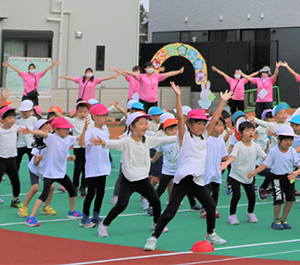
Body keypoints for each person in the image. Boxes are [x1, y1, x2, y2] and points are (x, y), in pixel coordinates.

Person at [145, 84, 229, 251]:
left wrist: (222, 102)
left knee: (211, 206)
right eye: (197, 123)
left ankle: (210, 233)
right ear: (190, 124)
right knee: (170, 212)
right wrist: (177, 96)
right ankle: (153, 238)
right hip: (184, 180)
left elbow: (215, 119)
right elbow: (181, 119)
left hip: (198, 181)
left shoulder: (204, 136)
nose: (201, 126)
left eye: (203, 123)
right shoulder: (184, 137)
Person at [96, 109, 176, 238]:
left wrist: (181, 136)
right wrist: (103, 142)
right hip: (127, 181)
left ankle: (156, 223)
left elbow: (164, 140)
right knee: (121, 205)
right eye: (141, 124)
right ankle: (104, 225)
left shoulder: (148, 140)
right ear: (132, 127)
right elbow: (114, 143)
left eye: (146, 123)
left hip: (143, 180)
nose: (145, 126)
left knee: (156, 201)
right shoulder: (126, 141)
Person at [19, 116, 83, 226]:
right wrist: (29, 131)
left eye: (68, 129)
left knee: (72, 191)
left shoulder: (68, 139)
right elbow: (43, 134)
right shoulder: (52, 138)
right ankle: (31, 217)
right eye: (65, 129)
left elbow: (80, 139)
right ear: (56, 130)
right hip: (49, 173)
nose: (67, 131)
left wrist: (86, 129)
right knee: (44, 194)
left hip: (61, 173)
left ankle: (72, 212)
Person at [246, 123, 300, 231]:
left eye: (290, 140)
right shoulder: (274, 151)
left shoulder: (292, 151)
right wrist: (255, 171)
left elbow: (299, 165)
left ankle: (284, 218)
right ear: (279, 140)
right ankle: (276, 219)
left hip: (289, 177)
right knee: (278, 200)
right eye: (285, 140)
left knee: (290, 199)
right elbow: (265, 164)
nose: (288, 143)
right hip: (276, 178)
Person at [77, 103, 114, 228]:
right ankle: (85, 218)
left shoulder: (105, 130)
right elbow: (82, 143)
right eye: (103, 115)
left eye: (106, 115)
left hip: (103, 166)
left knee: (101, 192)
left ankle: (96, 215)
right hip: (92, 168)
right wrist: (84, 130)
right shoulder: (90, 131)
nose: (106, 117)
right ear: (95, 117)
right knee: (91, 193)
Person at [223, 120, 266, 225]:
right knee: (236, 196)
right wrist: (227, 162)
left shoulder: (256, 146)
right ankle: (232, 215)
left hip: (249, 176)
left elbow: (265, 157)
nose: (251, 132)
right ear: (241, 134)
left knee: (251, 196)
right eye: (247, 130)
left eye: (252, 130)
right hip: (236, 175)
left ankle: (250, 213)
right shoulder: (238, 145)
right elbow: (232, 157)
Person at [117, 63, 185, 112]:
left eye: (152, 67)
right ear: (145, 69)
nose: (151, 69)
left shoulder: (156, 76)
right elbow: (134, 74)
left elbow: (168, 74)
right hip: (144, 100)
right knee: (143, 115)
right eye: (149, 67)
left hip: (154, 101)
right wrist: (123, 71)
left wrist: (178, 71)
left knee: (154, 115)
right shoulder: (142, 76)